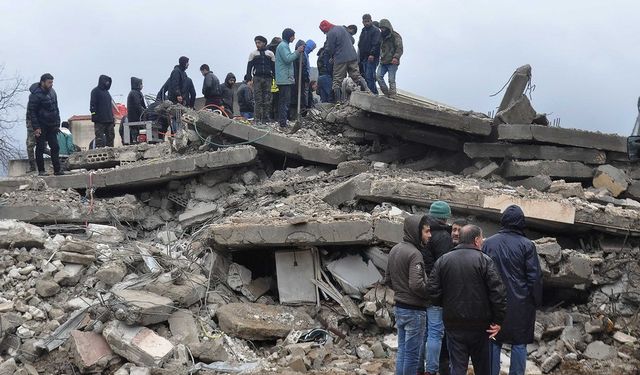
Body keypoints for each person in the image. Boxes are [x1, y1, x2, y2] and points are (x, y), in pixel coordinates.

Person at [428, 225, 507, 375]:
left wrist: (446, 305)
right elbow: (498, 293)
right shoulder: (485, 261)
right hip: (481, 324)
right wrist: (498, 320)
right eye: (482, 238)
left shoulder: (443, 260)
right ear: (477, 240)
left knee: (457, 366)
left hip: (453, 323)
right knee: (483, 367)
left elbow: (432, 290)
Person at [482, 205, 543, 375]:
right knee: (519, 342)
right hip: (521, 304)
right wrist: (536, 301)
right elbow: (534, 277)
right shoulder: (527, 245)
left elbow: (482, 274)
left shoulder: (488, 243)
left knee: (493, 339)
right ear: (521, 223)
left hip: (493, 302)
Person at [384, 214, 431, 375]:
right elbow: (417, 284)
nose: (429, 235)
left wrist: (401, 291)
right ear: (416, 232)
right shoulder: (415, 254)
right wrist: (430, 294)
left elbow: (388, 279)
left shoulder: (395, 249)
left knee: (403, 351)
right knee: (412, 355)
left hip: (400, 308)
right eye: (426, 232)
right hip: (414, 311)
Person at [419, 201, 453, 375]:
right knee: (435, 332)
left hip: (422, 290)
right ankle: (431, 370)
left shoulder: (422, 233)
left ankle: (419, 368)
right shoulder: (443, 237)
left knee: (424, 332)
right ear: (445, 218)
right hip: (438, 292)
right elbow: (445, 267)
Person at [319, 19, 369, 102]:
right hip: (352, 56)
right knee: (356, 76)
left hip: (340, 59)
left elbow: (330, 48)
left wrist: (332, 57)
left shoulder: (330, 33)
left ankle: (338, 102)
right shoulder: (342, 28)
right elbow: (352, 40)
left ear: (325, 29)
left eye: (324, 31)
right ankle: (367, 91)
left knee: (337, 81)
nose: (324, 33)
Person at [27, 73, 63, 176]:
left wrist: (57, 123)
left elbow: (56, 108)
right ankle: (41, 171)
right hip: (41, 124)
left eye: (52, 82)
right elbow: (32, 112)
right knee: (40, 147)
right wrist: (36, 127)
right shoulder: (35, 95)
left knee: (55, 146)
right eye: (49, 82)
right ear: (43, 82)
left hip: (52, 125)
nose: (51, 84)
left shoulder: (52, 92)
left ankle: (57, 170)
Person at [275, 28, 304, 128]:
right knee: (284, 101)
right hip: (284, 79)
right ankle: (282, 122)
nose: (294, 38)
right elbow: (287, 59)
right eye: (293, 36)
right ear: (289, 36)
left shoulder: (284, 46)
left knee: (284, 101)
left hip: (285, 78)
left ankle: (283, 121)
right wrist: (297, 52)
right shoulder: (283, 46)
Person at [246, 35, 275, 123]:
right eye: (256, 43)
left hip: (268, 78)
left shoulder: (270, 54)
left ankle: (266, 118)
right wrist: (249, 79)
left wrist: (275, 78)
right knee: (258, 99)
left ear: (264, 43)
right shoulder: (253, 54)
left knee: (267, 99)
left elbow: (273, 68)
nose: (257, 44)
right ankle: (257, 118)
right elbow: (249, 68)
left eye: (259, 43)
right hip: (257, 78)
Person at [377, 19, 403, 97]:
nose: (382, 30)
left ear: (387, 27)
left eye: (383, 28)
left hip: (392, 62)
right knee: (378, 76)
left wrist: (396, 57)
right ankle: (386, 93)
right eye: (381, 28)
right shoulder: (380, 36)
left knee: (391, 80)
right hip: (383, 61)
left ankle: (393, 95)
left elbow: (399, 48)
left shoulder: (395, 36)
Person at [358, 14, 381, 94]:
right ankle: (370, 92)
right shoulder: (363, 30)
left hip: (372, 57)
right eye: (365, 22)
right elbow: (360, 44)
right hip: (364, 57)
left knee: (369, 76)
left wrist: (372, 54)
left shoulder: (375, 30)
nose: (366, 23)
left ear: (371, 21)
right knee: (365, 76)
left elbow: (376, 43)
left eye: (368, 21)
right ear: (362, 22)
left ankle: (374, 93)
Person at [90, 74, 115, 148]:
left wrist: (112, 118)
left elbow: (110, 107)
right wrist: (94, 115)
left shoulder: (107, 93)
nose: (108, 83)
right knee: (99, 138)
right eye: (106, 81)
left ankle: (111, 150)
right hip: (99, 120)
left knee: (111, 137)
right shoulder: (95, 91)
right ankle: (99, 149)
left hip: (109, 120)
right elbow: (92, 105)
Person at [25, 82, 41, 172]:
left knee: (31, 146)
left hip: (34, 127)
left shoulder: (35, 99)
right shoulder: (38, 98)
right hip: (34, 126)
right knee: (39, 147)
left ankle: (32, 167)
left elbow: (32, 114)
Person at [267, 37, 282, 121]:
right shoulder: (273, 53)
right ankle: (274, 118)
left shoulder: (267, 50)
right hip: (274, 78)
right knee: (275, 100)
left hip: (271, 78)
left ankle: (270, 118)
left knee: (271, 100)